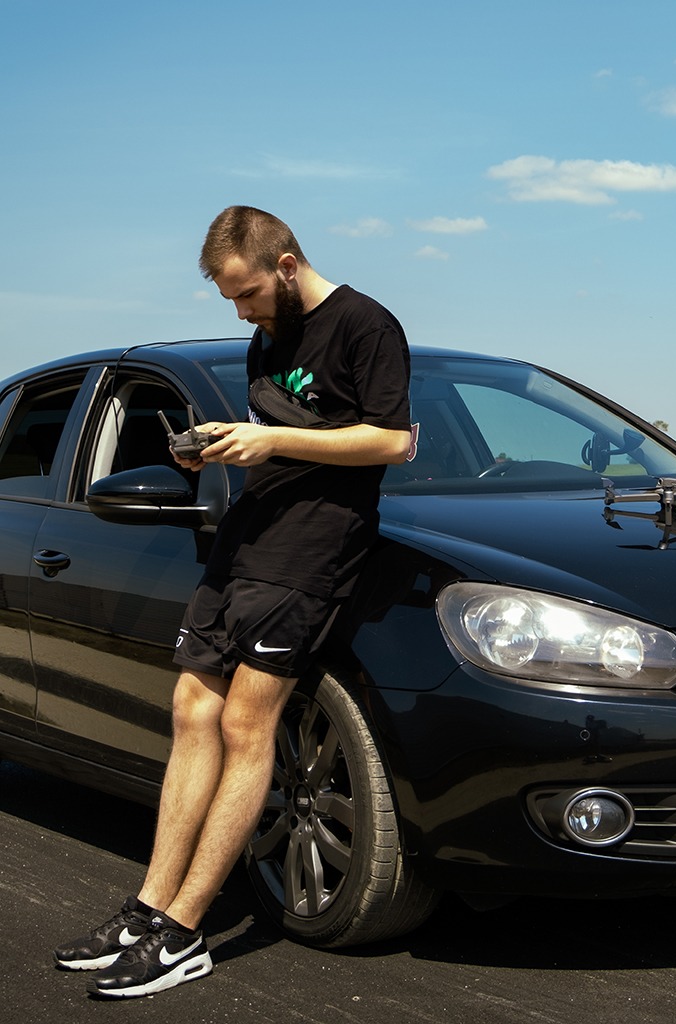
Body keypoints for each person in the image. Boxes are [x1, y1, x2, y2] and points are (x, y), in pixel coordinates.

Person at [53, 206, 412, 998]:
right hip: (245, 539)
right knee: (191, 709)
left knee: (248, 726)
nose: (242, 312)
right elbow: (277, 435)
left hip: (312, 548)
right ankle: (148, 910)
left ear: (285, 265)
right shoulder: (266, 338)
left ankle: (185, 932)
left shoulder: (366, 324)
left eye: (247, 293)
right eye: (230, 299)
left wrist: (273, 440)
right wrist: (222, 446)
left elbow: (392, 439)